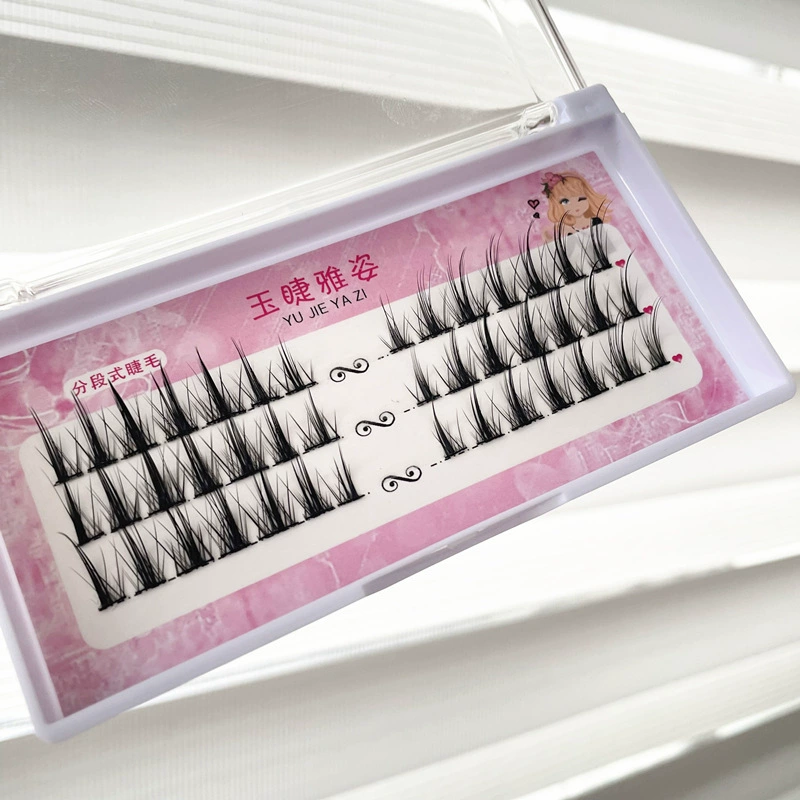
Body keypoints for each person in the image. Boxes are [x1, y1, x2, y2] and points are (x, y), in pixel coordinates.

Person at [540, 170, 611, 240]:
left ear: (589, 198)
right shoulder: (565, 228)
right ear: (557, 206)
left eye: (581, 199)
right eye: (565, 202)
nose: (575, 205)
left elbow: (604, 241)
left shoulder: (596, 221)